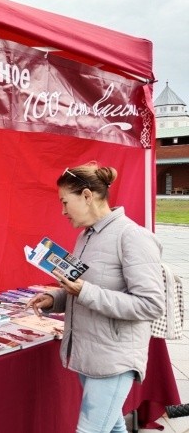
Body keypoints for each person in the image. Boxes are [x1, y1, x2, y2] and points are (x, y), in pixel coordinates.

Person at [26, 161, 164, 433]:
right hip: (89, 353)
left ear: (87, 196)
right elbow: (83, 288)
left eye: (65, 202)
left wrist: (84, 291)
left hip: (114, 359)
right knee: (113, 427)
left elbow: (151, 304)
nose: (63, 211)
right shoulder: (85, 237)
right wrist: (55, 299)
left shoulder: (132, 236)